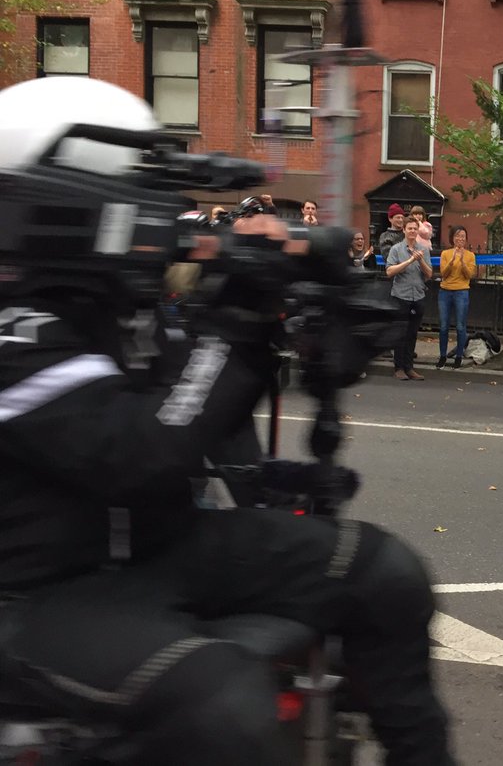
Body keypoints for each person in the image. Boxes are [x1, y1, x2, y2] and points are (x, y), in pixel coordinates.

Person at [0, 76, 453, 766]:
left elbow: (205, 409)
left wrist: (312, 322)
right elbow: (138, 450)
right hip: (38, 593)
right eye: (134, 193)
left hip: (163, 549)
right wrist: (234, 323)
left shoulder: (123, 308)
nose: (157, 214)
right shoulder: (16, 329)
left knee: (382, 571)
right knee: (219, 701)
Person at [385, 216, 433, 381]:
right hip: (401, 296)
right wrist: (410, 260)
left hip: (418, 295)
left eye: (415, 228)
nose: (412, 231)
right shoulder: (396, 249)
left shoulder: (423, 249)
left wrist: (420, 261)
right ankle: (398, 368)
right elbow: (389, 271)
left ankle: (409, 367)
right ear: (404, 230)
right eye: (410, 228)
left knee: (412, 333)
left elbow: (429, 274)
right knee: (400, 333)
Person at [437, 225, 476, 370]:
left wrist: (462, 262)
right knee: (443, 326)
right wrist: (452, 260)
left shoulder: (470, 255)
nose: (460, 239)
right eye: (457, 236)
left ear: (466, 239)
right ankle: (442, 356)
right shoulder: (445, 253)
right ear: (452, 238)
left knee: (460, 326)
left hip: (462, 292)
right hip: (445, 291)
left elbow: (469, 275)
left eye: (463, 236)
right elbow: (443, 273)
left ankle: (459, 356)